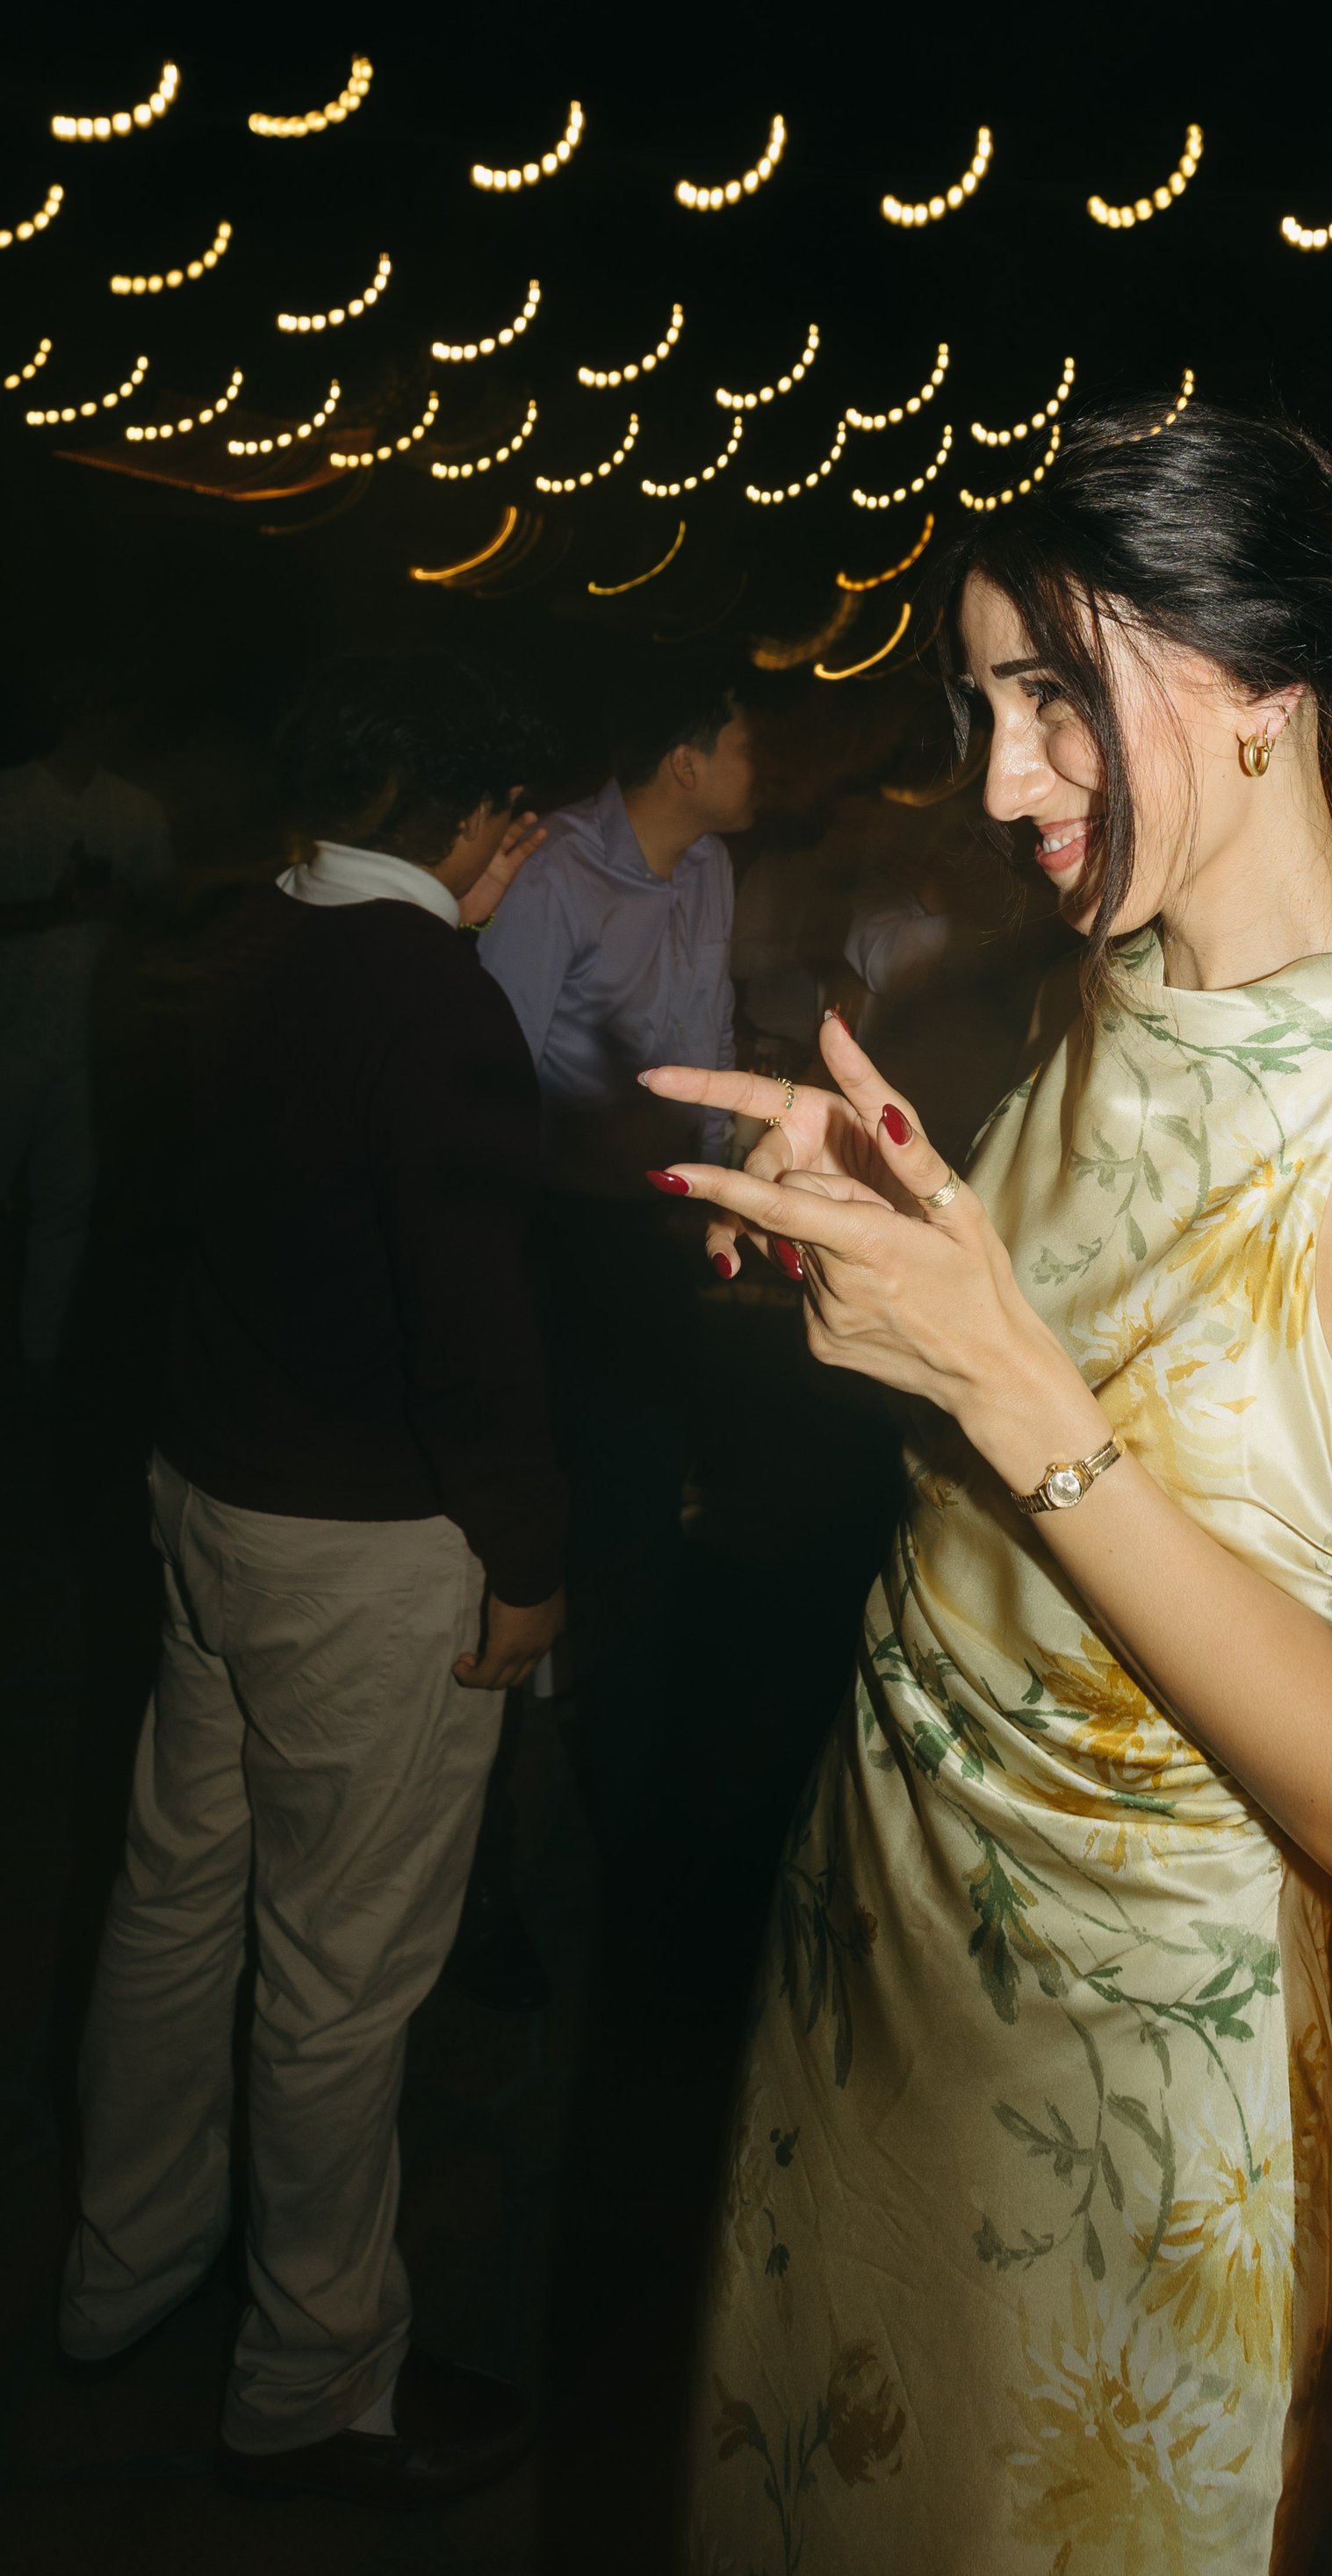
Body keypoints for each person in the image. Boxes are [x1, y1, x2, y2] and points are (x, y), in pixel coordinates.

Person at [648, 401, 1332, 2571]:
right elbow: (1011, 1499)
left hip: (1133, 2056)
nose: (1002, 782)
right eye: (981, 709)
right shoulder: (1087, 998)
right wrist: (876, 1270)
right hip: (875, 1925)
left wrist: (1006, 1385)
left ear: (1266, 680)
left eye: (1054, 700)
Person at [57, 648, 565, 2508]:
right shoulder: (428, 995)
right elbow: (470, 1326)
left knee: (175, 1902)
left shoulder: (235, 935)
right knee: (340, 1980)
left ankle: (124, 2266)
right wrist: (527, 1558)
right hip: (359, 1547)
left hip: (209, 1490)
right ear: (479, 816)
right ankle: (315, 2382)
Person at [468, 668, 753, 1925]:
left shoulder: (711, 870)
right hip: (547, 1241)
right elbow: (489, 1075)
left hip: (651, 1241)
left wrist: (722, 1186)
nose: (763, 769)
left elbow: (713, 1038)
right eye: (746, 744)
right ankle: (484, 1874)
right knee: (522, 1536)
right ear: (686, 760)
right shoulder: (558, 874)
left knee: (637, 1542)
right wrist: (581, 1160)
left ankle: (630, 1839)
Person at [0, 661, 173, 1438]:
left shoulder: (135, 809)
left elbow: (161, 908)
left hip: (87, 1046)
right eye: (107, 706)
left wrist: (126, 907)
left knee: (66, 1209)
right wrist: (53, 910)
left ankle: (40, 1368)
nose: (120, 722)